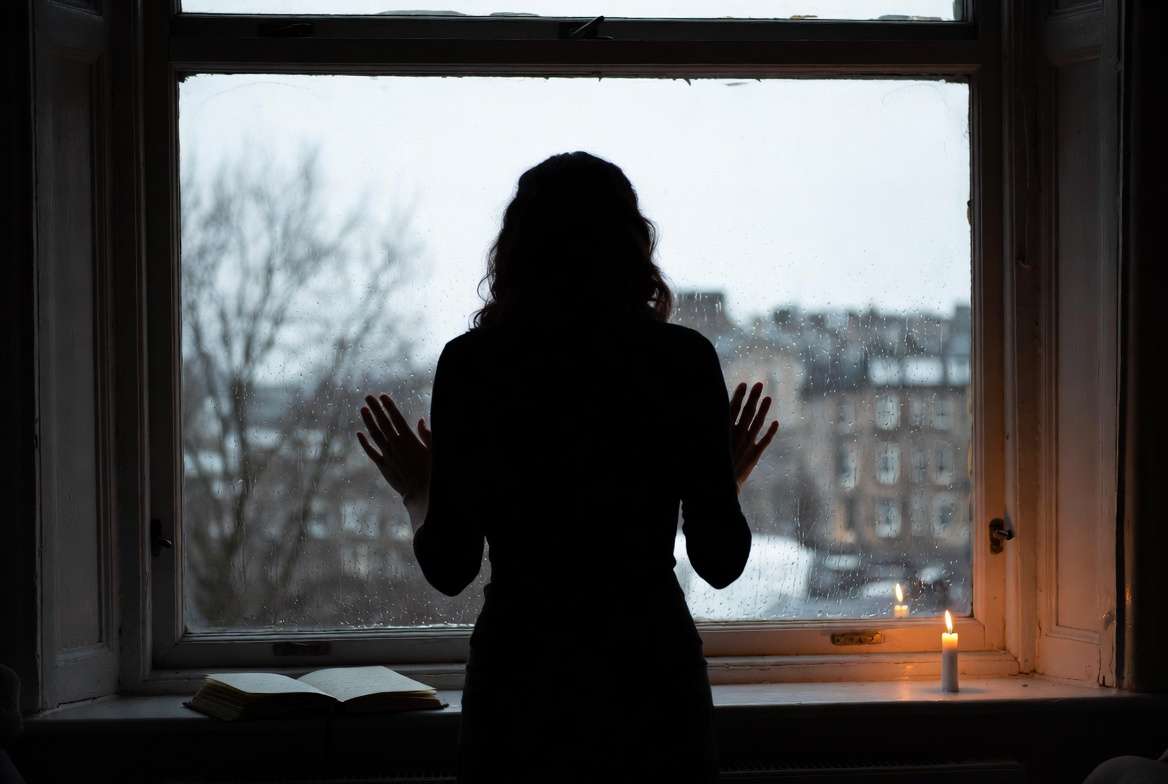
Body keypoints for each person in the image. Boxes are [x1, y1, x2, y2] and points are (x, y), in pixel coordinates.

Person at [357, 151, 778, 782]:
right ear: (634, 248)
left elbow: (450, 568)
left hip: (522, 682)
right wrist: (720, 478)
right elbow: (720, 563)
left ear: (516, 252)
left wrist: (419, 489)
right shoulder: (681, 361)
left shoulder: (475, 366)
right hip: (652, 682)